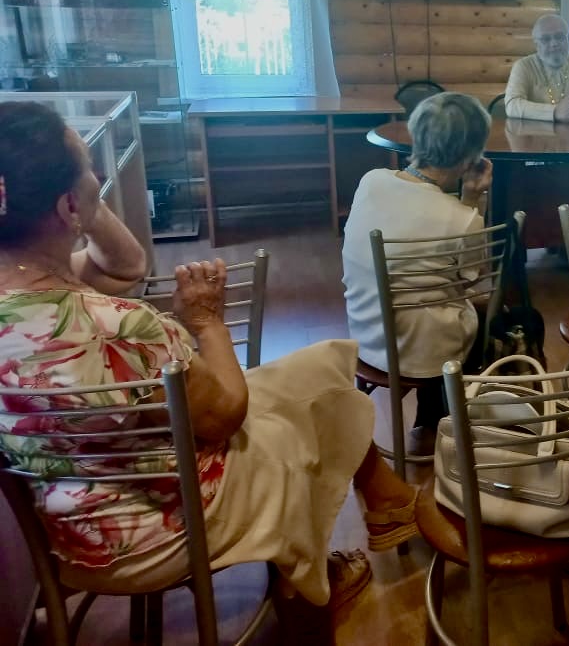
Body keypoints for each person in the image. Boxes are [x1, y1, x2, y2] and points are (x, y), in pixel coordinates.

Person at [0, 101, 416, 613]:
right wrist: (206, 322)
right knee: (307, 414)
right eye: (91, 171)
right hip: (162, 532)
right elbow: (224, 417)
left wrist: (80, 199)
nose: (100, 179)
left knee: (322, 363)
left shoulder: (27, 301)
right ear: (67, 206)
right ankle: (308, 590)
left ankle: (387, 502)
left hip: (66, 533)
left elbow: (125, 265)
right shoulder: (119, 325)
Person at [343, 92, 494, 453]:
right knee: (489, 310)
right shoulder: (461, 218)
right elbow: (472, 279)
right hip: (423, 355)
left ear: (416, 135)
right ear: (470, 156)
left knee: (436, 304)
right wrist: (473, 199)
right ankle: (456, 420)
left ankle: (431, 416)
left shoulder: (371, 181)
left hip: (366, 335)